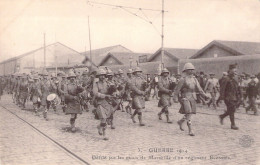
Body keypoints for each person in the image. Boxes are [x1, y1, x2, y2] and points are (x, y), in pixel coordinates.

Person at [173, 63, 209, 136]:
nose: (191, 71)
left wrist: (205, 95)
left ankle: (181, 121)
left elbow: (199, 89)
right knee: (188, 112)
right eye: (189, 70)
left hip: (192, 97)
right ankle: (190, 130)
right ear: (185, 70)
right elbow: (177, 90)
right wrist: (175, 97)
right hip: (185, 97)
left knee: (190, 113)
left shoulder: (194, 79)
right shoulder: (182, 79)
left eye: (192, 70)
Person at [93, 69, 116, 140]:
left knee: (105, 119)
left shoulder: (108, 83)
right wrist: (105, 96)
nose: (102, 77)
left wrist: (114, 93)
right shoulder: (96, 84)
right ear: (98, 76)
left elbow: (114, 91)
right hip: (99, 103)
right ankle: (104, 134)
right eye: (101, 75)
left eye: (103, 75)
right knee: (103, 118)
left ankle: (100, 127)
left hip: (107, 103)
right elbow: (95, 93)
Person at [219, 64, 241, 130]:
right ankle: (233, 125)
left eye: (236, 71)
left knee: (232, 110)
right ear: (230, 71)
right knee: (232, 110)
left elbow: (237, 88)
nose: (235, 72)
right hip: (228, 98)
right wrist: (222, 98)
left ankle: (222, 116)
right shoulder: (226, 79)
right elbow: (222, 89)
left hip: (234, 97)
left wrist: (239, 96)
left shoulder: (234, 79)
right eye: (234, 71)